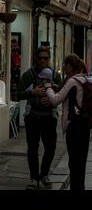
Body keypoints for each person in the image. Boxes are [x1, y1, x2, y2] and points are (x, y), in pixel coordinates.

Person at [18, 46, 62, 190]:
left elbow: (61, 93)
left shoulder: (55, 75)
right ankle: (34, 177)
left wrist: (51, 100)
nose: (43, 60)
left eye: (46, 58)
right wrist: (33, 93)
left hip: (49, 116)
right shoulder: (28, 75)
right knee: (32, 148)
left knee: (50, 147)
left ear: (49, 59)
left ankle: (44, 174)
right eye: (40, 58)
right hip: (32, 116)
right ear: (35, 59)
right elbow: (17, 95)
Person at [45, 54, 90, 191]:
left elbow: (55, 100)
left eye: (65, 64)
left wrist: (48, 88)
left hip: (74, 126)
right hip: (85, 125)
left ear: (70, 66)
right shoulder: (84, 79)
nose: (63, 67)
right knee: (81, 163)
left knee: (74, 163)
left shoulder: (72, 81)